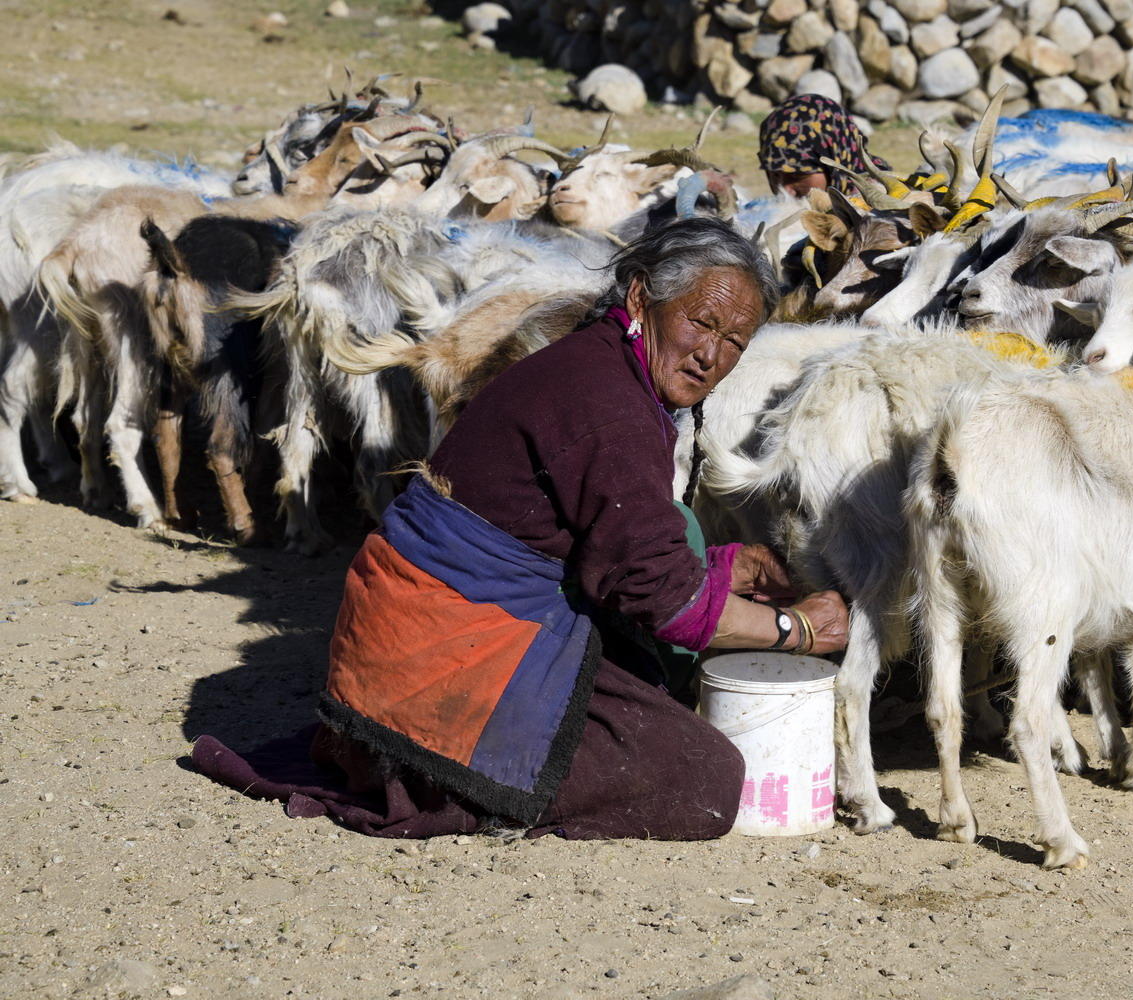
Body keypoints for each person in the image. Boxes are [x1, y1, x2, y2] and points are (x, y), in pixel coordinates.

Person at [193, 218, 850, 841]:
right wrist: (799, 631)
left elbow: (604, 552)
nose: (711, 354)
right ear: (642, 296)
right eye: (701, 323)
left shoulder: (597, 367)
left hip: (425, 637)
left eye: (735, 340)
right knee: (704, 779)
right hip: (436, 663)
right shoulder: (611, 407)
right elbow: (661, 599)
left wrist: (717, 570)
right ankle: (451, 783)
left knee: (653, 679)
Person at [758, 93, 892, 198]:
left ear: (834, 159)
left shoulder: (883, 206)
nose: (785, 192)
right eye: (775, 175)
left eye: (796, 176)